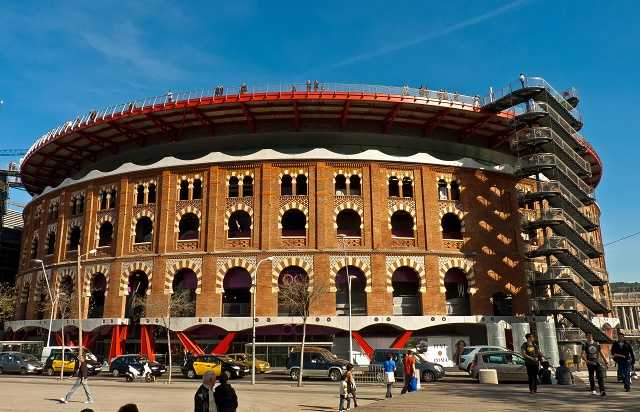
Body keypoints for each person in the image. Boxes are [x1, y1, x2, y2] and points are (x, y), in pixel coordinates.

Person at [582, 331, 607, 396]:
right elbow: (582, 354)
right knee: (591, 376)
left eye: (591, 336)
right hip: (590, 363)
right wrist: (586, 361)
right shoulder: (585, 344)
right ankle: (593, 390)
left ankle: (602, 391)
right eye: (588, 336)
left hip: (597, 362)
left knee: (600, 376)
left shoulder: (597, 343)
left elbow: (601, 352)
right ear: (586, 337)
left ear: (592, 336)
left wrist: (605, 361)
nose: (590, 337)